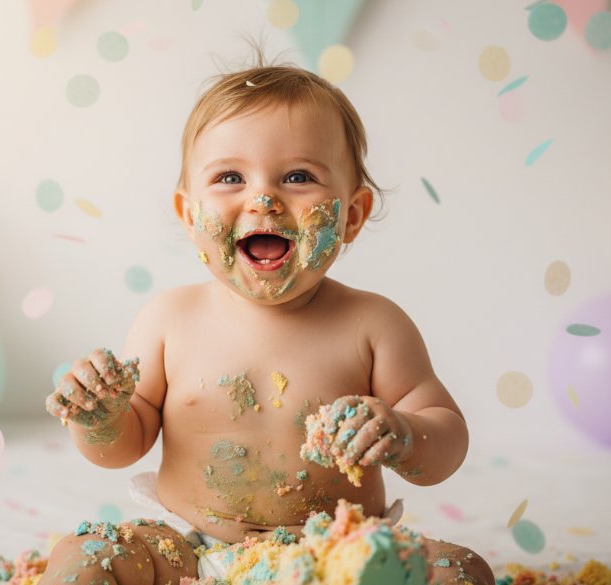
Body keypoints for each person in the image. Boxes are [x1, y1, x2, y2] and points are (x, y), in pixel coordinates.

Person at [39, 52, 495, 585]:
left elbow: (446, 442)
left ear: (352, 215)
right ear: (189, 215)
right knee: (87, 555)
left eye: (298, 176)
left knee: (460, 571)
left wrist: (405, 434)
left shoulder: (374, 325)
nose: (263, 198)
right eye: (230, 176)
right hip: (188, 550)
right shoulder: (168, 319)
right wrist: (101, 419)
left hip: (339, 558)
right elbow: (123, 447)